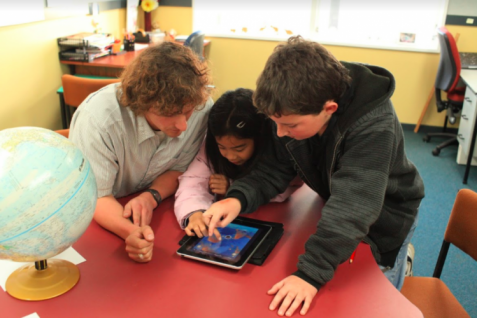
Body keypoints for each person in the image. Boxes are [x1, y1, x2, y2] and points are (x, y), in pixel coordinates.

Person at [202, 36, 425, 316]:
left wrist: (310, 275)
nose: (280, 133)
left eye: (289, 125)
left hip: (386, 216)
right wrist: (236, 199)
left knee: (374, 303)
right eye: (275, 123)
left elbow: (352, 207)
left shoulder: (373, 125)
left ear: (329, 109)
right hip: (343, 201)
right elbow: (275, 167)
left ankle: (399, 262)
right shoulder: (289, 105)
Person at [69, 42, 213, 263]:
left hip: (159, 211)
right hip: (97, 221)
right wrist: (129, 232)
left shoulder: (202, 108)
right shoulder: (99, 120)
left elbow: (181, 169)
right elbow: (97, 197)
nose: (183, 125)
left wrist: (151, 196)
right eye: (170, 113)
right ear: (141, 103)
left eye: (187, 111)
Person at [174, 88, 302, 237]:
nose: (230, 156)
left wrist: (231, 186)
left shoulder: (278, 148)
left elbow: (282, 185)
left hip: (278, 217)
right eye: (221, 147)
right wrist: (194, 213)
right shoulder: (209, 148)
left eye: (239, 148)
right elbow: (192, 182)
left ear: (259, 137)